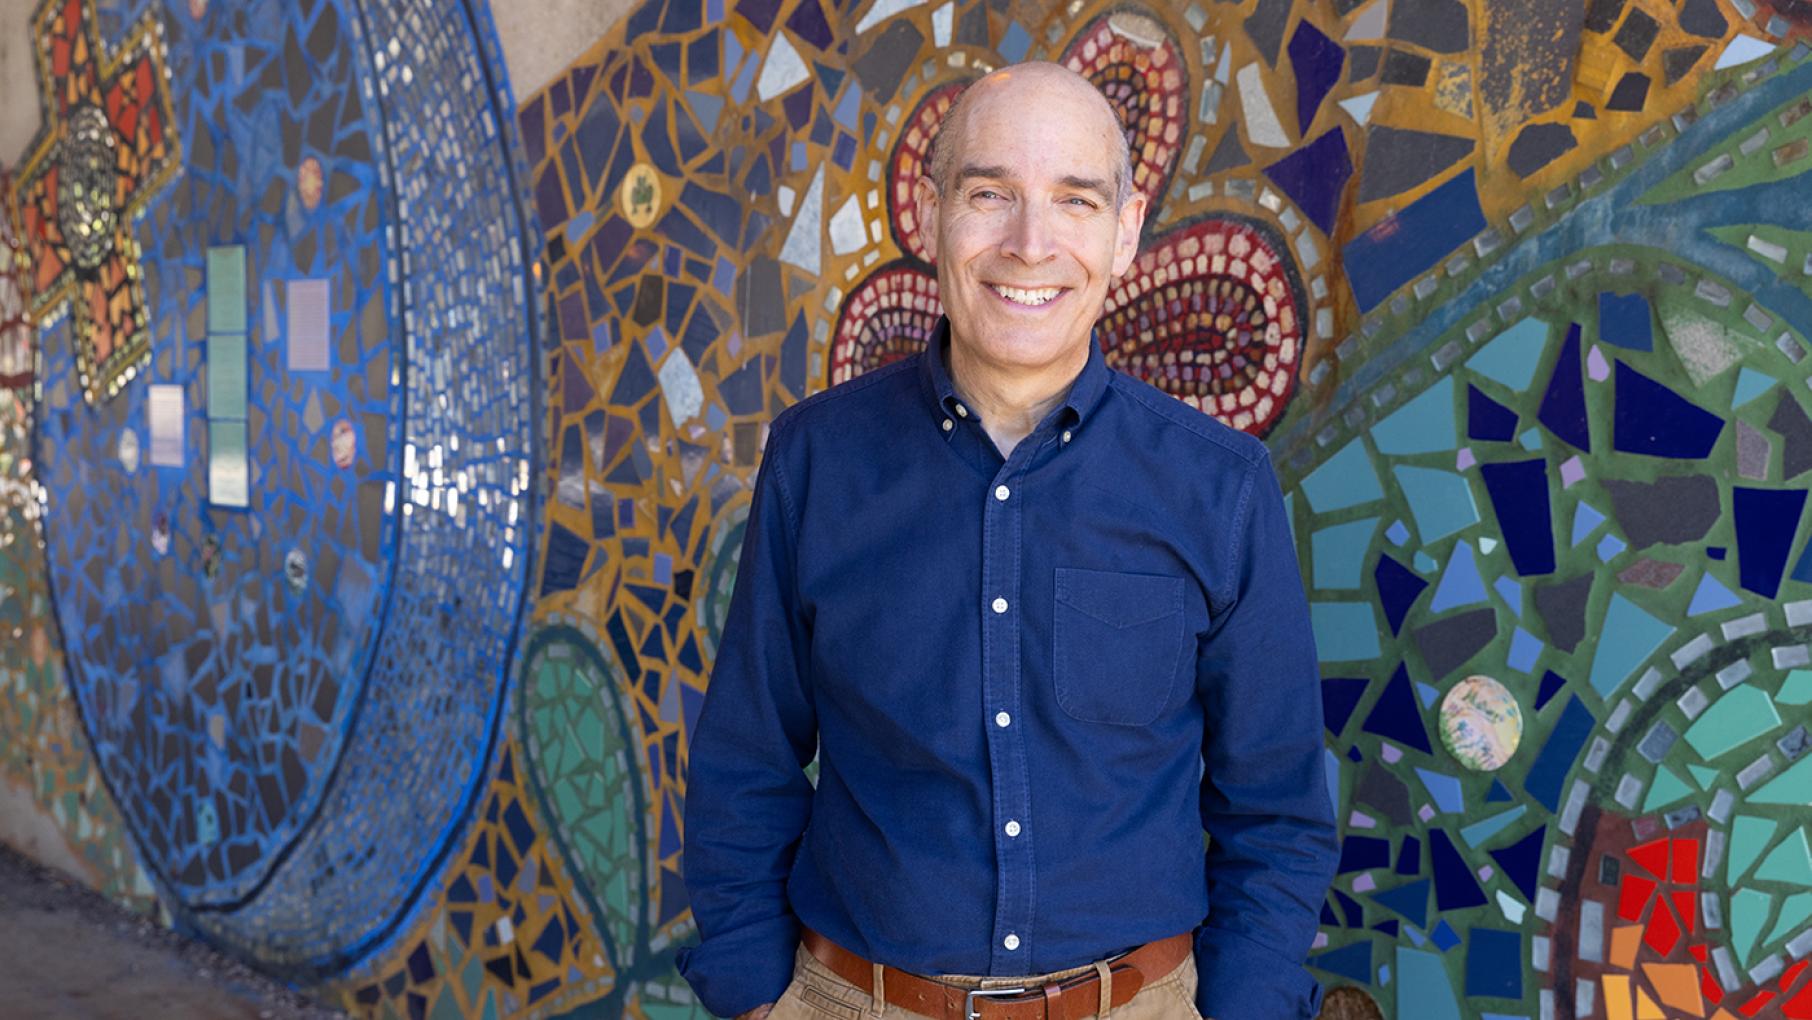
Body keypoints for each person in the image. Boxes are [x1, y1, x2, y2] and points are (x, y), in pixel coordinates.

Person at [676, 62, 1338, 1020]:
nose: (1032, 245)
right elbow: (745, 766)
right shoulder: (814, 462)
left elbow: (1276, 810)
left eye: (1075, 200)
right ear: (933, 210)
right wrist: (751, 996)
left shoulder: (1219, 488)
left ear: (1126, 230)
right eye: (991, 194)